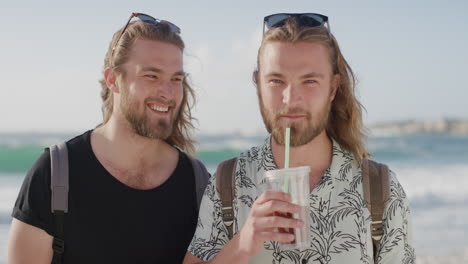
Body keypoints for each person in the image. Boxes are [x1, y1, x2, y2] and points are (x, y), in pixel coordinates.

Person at [183, 13, 415, 264]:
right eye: (276, 80)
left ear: (333, 88)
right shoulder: (227, 183)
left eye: (310, 81)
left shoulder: (381, 189)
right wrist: (242, 244)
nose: (291, 99)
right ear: (258, 85)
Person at [8, 13, 209, 264]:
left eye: (176, 79)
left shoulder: (198, 185)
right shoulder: (54, 176)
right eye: (151, 76)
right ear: (113, 79)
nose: (167, 93)